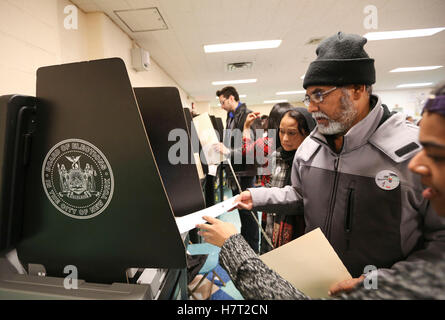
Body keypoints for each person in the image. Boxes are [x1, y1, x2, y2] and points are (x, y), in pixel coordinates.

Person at [200, 32, 445, 295]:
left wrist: (386, 282)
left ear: (358, 89)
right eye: (308, 97)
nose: (312, 107)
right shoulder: (310, 147)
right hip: (317, 283)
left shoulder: (417, 155)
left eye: (320, 95)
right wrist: (258, 196)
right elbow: (301, 194)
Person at [262, 108, 315, 253]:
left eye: (292, 133)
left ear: (307, 133)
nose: (285, 138)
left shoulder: (313, 163)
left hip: (301, 237)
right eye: (281, 131)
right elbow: (267, 190)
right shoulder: (275, 157)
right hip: (272, 230)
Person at [214, 86, 259, 253]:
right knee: (242, 213)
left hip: (245, 172)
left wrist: (228, 151)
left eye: (223, 102)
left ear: (232, 98)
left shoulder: (248, 115)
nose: (222, 106)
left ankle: (253, 251)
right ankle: (247, 248)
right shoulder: (230, 117)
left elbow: (253, 147)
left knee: (248, 214)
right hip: (235, 171)